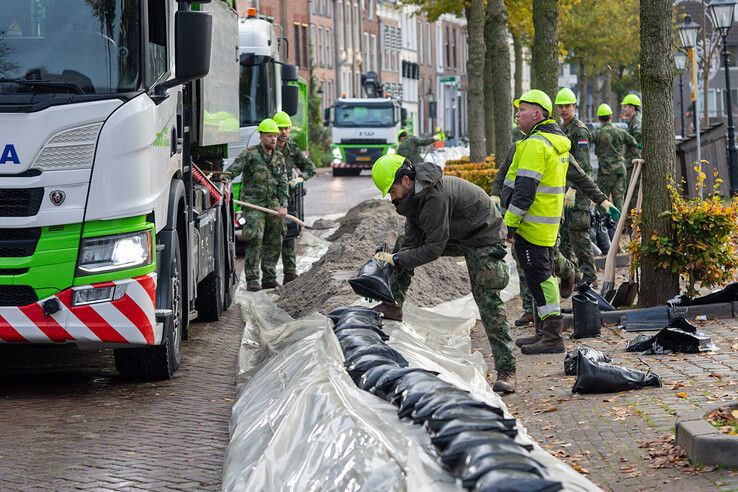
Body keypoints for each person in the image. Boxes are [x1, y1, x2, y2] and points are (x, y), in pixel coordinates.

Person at [370, 154, 516, 394]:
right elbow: (412, 242)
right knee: (401, 243)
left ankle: (507, 370)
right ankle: (393, 305)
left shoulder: (433, 196)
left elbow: (433, 248)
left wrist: (399, 259)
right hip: (459, 234)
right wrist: (393, 261)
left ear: (406, 180)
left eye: (392, 190)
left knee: (486, 299)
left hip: (484, 236)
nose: (391, 197)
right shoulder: (413, 198)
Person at [492, 130, 617, 347]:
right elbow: (503, 175)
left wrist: (601, 200)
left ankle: (568, 277)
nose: (519, 116)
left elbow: (580, 176)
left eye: (523, 111)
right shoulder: (520, 147)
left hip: (541, 222)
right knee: (531, 272)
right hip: (523, 220)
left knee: (543, 271)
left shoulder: (551, 146)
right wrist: (496, 195)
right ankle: (540, 326)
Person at [228, 118, 288, 291]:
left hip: (273, 205)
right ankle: (253, 278)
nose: (273, 139)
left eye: (275, 136)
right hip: (253, 205)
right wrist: (222, 181)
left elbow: (283, 182)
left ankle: (269, 276)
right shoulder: (249, 154)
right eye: (269, 136)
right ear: (261, 137)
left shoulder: (278, 157)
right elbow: (233, 171)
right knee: (255, 237)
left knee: (276, 238)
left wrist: (283, 204)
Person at [555, 88, 598, 288]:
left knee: (580, 237)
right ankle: (572, 276)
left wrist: (573, 189)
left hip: (577, 195)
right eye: (560, 106)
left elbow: (584, 166)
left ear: (574, 107)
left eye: (567, 106)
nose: (563, 110)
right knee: (563, 238)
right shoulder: (563, 129)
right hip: (563, 193)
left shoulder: (579, 130)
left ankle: (590, 278)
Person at [273, 110, 317, 284]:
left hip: (289, 198)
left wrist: (300, 178)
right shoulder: (268, 148)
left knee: (289, 235)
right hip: (271, 197)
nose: (283, 132)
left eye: (286, 129)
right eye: (280, 128)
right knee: (270, 238)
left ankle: (290, 273)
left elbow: (310, 168)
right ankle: (267, 277)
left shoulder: (292, 149)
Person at [591, 103, 639, 213]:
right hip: (620, 172)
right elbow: (634, 143)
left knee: (602, 202)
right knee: (619, 202)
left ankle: (602, 228)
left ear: (599, 118)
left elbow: (585, 143)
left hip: (605, 173)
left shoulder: (596, 134)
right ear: (611, 117)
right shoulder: (620, 132)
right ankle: (619, 227)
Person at [621, 93, 643, 213]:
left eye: (626, 106)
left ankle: (633, 218)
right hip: (632, 160)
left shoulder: (637, 121)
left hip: (635, 161)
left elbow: (638, 136)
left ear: (632, 107)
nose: (624, 109)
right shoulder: (633, 120)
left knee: (633, 189)